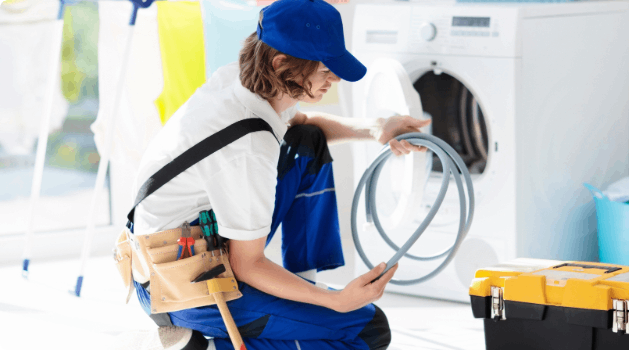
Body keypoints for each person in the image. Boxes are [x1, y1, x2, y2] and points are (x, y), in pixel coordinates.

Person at [127, 0, 430, 349]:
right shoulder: (248, 148)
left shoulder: (239, 81)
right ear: (281, 63)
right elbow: (247, 264)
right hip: (180, 284)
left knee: (306, 142)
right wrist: (335, 302)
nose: (334, 77)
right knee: (367, 329)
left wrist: (376, 128)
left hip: (168, 248)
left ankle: (302, 284)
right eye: (325, 67)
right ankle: (203, 347)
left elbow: (300, 124)